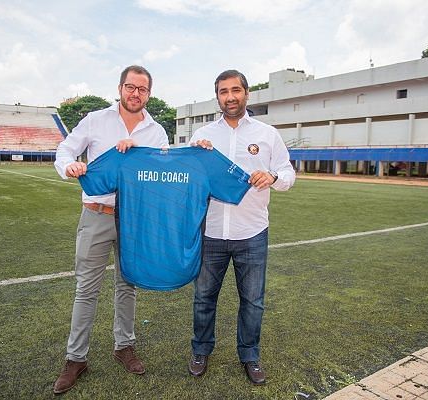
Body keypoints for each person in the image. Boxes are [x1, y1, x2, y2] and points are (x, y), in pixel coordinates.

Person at [53, 65, 168, 395]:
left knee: (127, 286)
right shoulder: (95, 120)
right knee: (86, 288)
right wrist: (70, 165)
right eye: (130, 87)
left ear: (149, 94)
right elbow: (65, 149)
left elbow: (161, 173)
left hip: (134, 218)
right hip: (96, 214)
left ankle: (124, 346)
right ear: (120, 88)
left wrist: (139, 158)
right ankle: (76, 358)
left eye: (142, 89)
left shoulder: (156, 131)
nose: (136, 94)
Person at [188, 70, 295, 385]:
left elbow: (287, 172)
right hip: (211, 232)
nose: (230, 96)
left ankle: (250, 355)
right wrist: (197, 156)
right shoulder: (202, 135)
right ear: (217, 96)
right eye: (223, 91)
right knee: (204, 297)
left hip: (252, 233)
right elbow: (188, 179)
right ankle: (200, 350)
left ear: (247, 94)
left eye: (236, 90)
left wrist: (273, 177)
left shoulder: (267, 134)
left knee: (253, 300)